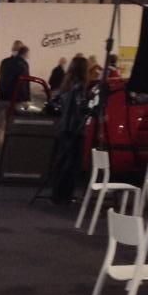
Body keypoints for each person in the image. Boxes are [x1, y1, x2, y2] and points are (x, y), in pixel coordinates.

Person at [51, 55, 91, 205]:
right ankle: (66, 195)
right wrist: (90, 109)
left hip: (64, 128)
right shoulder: (79, 87)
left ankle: (57, 194)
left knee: (62, 162)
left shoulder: (66, 84)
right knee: (72, 164)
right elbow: (81, 108)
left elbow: (56, 102)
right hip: (75, 129)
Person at [0, 42, 30, 157]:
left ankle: (0, 153)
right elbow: (24, 83)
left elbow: (1, 78)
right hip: (16, 100)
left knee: (0, 128)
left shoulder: (4, 62)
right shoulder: (23, 64)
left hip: (1, 97)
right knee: (15, 127)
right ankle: (11, 154)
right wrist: (26, 99)